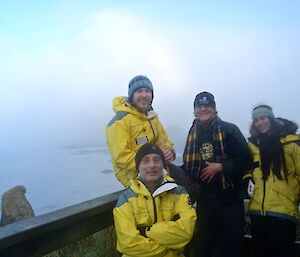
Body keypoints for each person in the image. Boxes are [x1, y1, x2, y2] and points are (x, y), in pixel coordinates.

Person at [182, 91, 253, 257]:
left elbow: (246, 160)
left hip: (230, 200)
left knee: (230, 246)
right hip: (205, 201)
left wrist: (221, 166)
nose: (204, 109)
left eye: (208, 106)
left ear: (214, 109)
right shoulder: (193, 133)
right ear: (195, 110)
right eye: (200, 106)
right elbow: (189, 166)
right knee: (205, 246)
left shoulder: (230, 130)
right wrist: (166, 170)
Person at [113, 143, 196, 257]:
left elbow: (186, 232)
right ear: (138, 167)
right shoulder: (126, 199)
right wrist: (166, 247)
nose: (152, 165)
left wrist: (146, 232)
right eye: (145, 161)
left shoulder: (179, 193)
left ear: (163, 165)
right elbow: (127, 244)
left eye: (157, 160)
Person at [243, 104, 300, 257]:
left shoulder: (292, 143)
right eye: (256, 120)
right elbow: (247, 168)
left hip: (284, 212)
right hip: (257, 212)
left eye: (263, 118)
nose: (260, 123)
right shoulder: (253, 145)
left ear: (271, 118)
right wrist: (247, 178)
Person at [106, 75, 175, 187]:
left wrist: (169, 151)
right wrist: (155, 163)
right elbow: (121, 158)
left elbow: (164, 140)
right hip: (134, 178)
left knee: (190, 188)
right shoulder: (118, 122)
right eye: (139, 91)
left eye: (147, 91)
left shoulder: (152, 117)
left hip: (158, 170)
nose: (144, 95)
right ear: (131, 95)